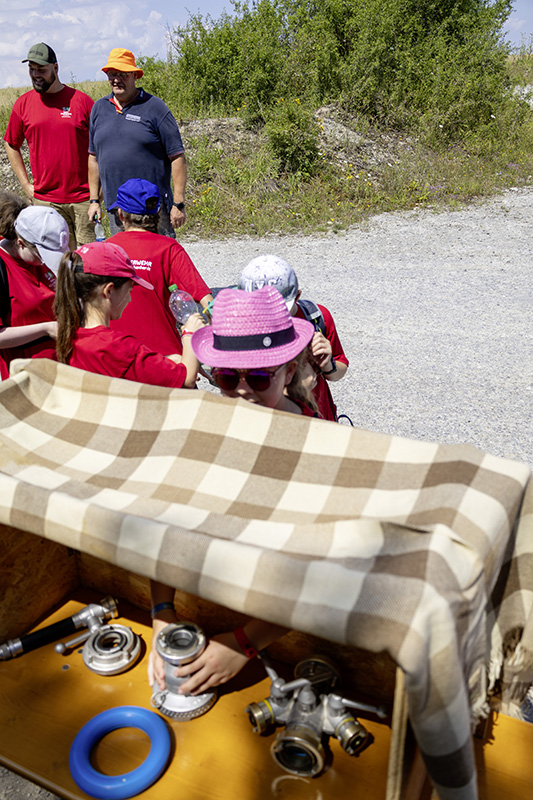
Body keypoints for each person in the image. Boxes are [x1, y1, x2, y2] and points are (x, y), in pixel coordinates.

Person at [148, 285, 316, 697]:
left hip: (276, 635)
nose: (241, 392)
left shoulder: (316, 444)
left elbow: (319, 573)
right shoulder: (206, 427)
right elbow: (167, 519)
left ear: (290, 372)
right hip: (209, 614)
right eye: (226, 377)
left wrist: (246, 642)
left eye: (259, 377)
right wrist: (162, 613)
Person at [53, 241, 204, 387]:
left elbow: (122, 367)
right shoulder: (118, 346)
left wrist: (165, 361)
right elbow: (187, 379)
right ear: (109, 291)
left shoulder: (68, 334)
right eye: (130, 289)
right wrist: (190, 334)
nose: (130, 298)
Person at [3, 43, 95, 249]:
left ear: (56, 67)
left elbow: (101, 147)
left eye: (41, 70)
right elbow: (11, 144)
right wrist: (27, 186)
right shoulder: (23, 104)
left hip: (83, 200)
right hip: (46, 201)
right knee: (54, 262)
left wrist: (98, 191)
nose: (35, 75)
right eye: (31, 69)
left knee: (87, 264)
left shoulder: (82, 102)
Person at [88, 49, 187, 237]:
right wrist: (94, 201)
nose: (116, 79)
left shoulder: (155, 107)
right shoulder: (99, 109)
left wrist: (178, 203)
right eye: (112, 74)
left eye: (122, 74)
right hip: (118, 209)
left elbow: (177, 156)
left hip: (153, 208)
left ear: (134, 75)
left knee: (160, 259)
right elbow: (93, 158)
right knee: (125, 262)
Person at [238, 254, 349, 421]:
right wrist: (300, 385)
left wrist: (328, 365)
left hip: (320, 421)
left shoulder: (316, 317)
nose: (270, 317)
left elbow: (339, 371)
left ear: (297, 296)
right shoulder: (241, 328)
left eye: (279, 309)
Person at [107, 179, 212, 354]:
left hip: (115, 355)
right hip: (165, 358)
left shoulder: (105, 249)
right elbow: (208, 302)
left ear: (121, 215)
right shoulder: (169, 249)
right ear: (159, 212)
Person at [0, 200, 69, 379]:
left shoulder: (34, 257)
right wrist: (47, 329)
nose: (45, 261)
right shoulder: (3, 268)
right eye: (42, 254)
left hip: (61, 363)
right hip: (26, 374)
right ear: (20, 242)